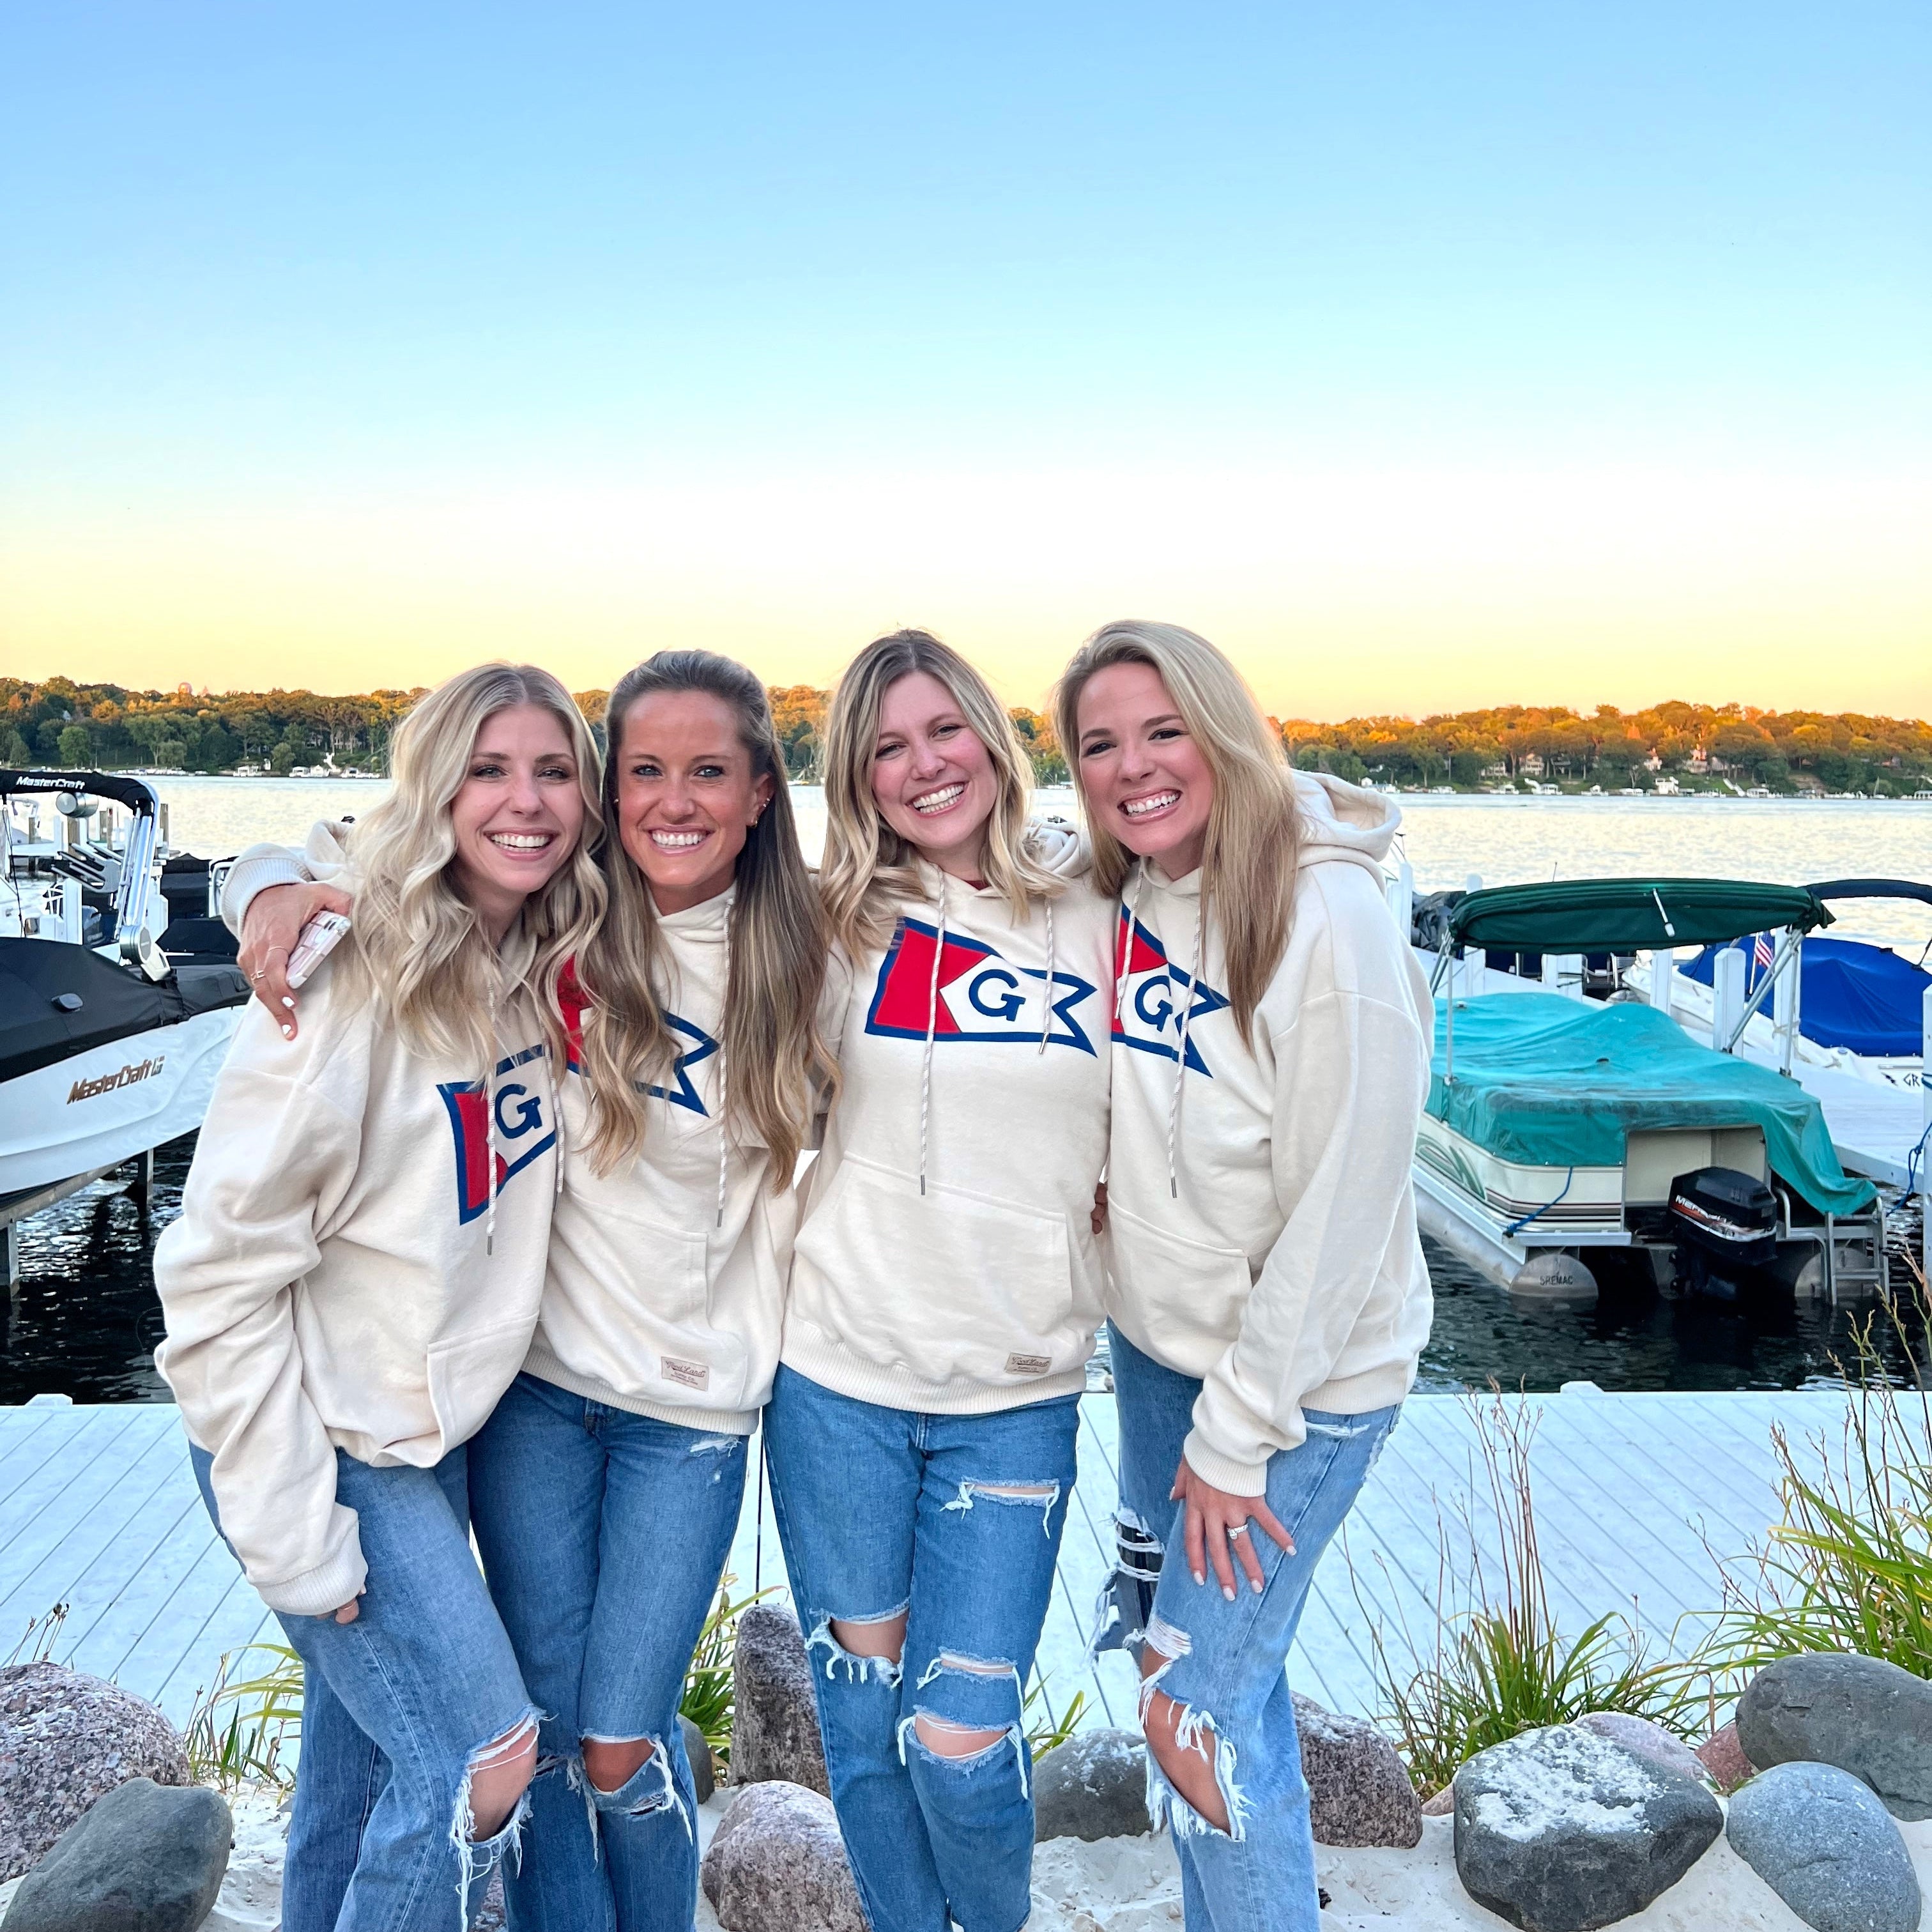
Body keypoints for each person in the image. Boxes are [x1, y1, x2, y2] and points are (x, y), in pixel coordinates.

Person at [226, 650, 832, 1932]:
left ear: (763, 791)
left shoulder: (758, 949)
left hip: (642, 1415)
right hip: (459, 1411)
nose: (671, 799)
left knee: (575, 1749)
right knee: (507, 1754)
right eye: (643, 771)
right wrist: (268, 878)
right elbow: (221, 1265)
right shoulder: (495, 948)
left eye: (555, 771)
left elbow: (977, 919)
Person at [153, 663, 606, 1932]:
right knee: (482, 1761)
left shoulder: (535, 955)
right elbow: (216, 1274)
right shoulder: (343, 981)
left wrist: (263, 873)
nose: (525, 802)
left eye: (554, 772)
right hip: (324, 1440)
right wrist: (292, 1531)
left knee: (358, 1790)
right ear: (434, 788)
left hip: (422, 1433)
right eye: (487, 771)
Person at [1055, 620, 1432, 1932]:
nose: (1134, 767)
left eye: (1165, 732)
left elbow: (1344, 1210)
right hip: (1163, 1359)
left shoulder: (1330, 918)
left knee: (1192, 1710)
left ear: (1225, 731)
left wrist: (1238, 1436)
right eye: (1100, 744)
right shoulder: (1130, 896)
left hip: (1294, 1388)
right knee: (1209, 1689)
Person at [762, 628, 1116, 1932]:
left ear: (991, 734)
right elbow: (603, 883)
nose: (923, 766)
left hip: (1016, 1392)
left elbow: (1252, 827)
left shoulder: (1100, 897)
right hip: (836, 1383)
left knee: (961, 1744)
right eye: (886, 748)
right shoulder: (824, 922)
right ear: (856, 779)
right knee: (864, 1741)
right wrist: (290, 872)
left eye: (943, 730)